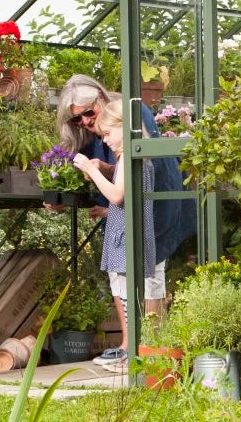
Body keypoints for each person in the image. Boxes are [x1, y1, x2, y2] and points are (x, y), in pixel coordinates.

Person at [52, 74, 195, 370]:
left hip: (154, 210)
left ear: (101, 100)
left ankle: (146, 347)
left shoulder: (129, 117)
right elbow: (120, 179)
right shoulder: (107, 133)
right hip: (126, 217)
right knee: (125, 278)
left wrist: (97, 173)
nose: (86, 124)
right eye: (77, 120)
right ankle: (137, 345)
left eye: (88, 114)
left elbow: (127, 186)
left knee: (148, 275)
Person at [69, 100, 159, 373]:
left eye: (108, 133)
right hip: (125, 232)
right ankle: (132, 352)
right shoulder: (129, 160)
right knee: (125, 292)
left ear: (123, 127)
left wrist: (91, 169)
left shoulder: (131, 160)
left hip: (128, 238)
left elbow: (118, 195)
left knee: (128, 294)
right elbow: (128, 203)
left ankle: (133, 354)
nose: (104, 139)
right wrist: (110, 213)